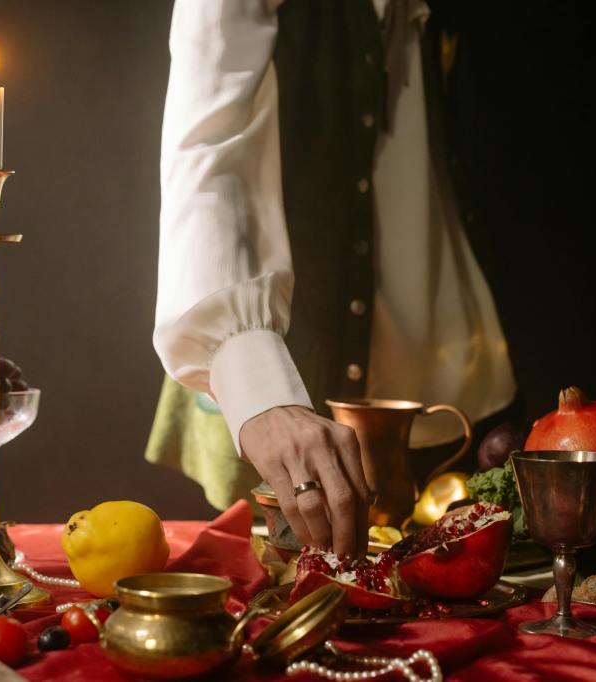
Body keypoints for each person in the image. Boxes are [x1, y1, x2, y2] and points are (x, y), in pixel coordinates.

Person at [146, 0, 515, 557]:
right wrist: (257, 385)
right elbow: (207, 150)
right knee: (273, 590)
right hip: (275, 340)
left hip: (436, 353)